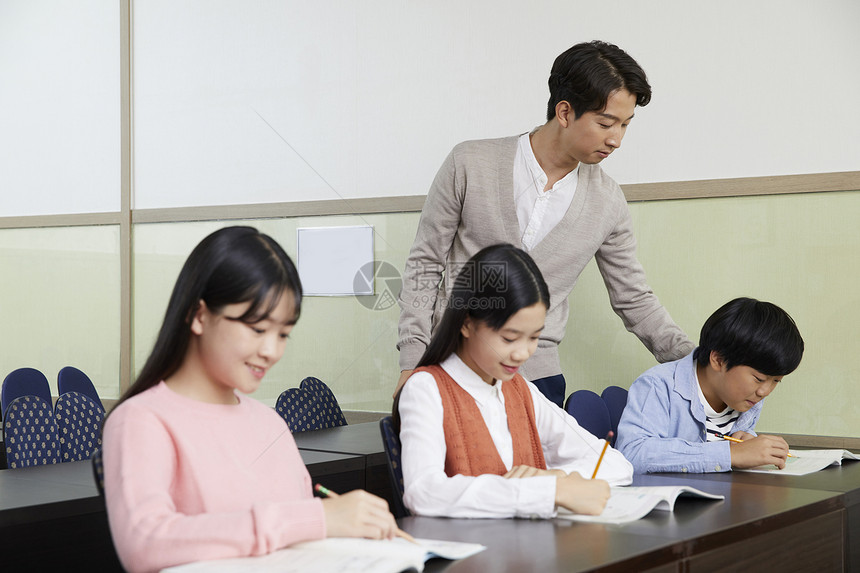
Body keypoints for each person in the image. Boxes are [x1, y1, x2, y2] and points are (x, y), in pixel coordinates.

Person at [396, 40, 693, 408]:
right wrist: (412, 360)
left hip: (537, 381)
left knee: (537, 468)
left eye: (625, 125)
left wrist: (699, 369)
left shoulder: (608, 201)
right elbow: (424, 265)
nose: (616, 139)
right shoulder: (470, 163)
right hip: (450, 367)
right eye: (605, 123)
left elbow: (635, 300)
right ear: (565, 112)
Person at [102, 226, 397, 573]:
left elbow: (300, 541)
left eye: (283, 333)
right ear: (199, 316)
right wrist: (314, 518)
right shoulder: (142, 419)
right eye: (257, 329)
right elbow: (145, 543)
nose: (272, 351)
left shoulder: (269, 422)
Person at [396, 243, 633, 519]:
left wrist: (556, 479)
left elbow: (615, 463)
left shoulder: (520, 390)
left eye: (534, 338)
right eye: (509, 338)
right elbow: (423, 493)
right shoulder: (426, 388)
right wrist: (548, 492)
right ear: (467, 323)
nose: (522, 353)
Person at [615, 297, 804, 474]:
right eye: (759, 379)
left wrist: (747, 440)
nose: (765, 391)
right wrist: (730, 454)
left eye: (776, 381)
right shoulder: (658, 386)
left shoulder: (747, 397)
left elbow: (736, 448)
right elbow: (631, 453)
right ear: (718, 360)